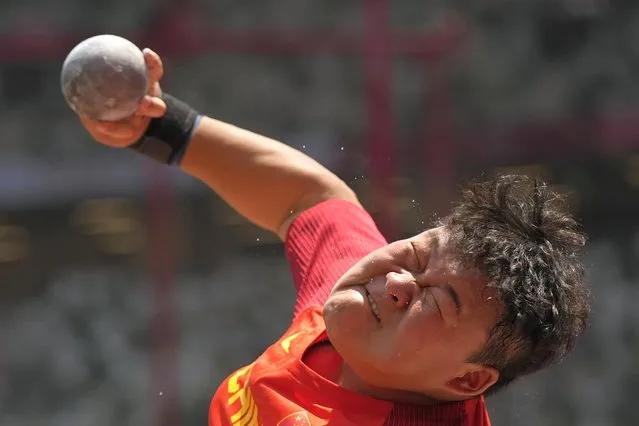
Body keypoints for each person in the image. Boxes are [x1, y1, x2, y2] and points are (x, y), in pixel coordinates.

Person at [77, 49, 590, 426]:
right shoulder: (357, 308)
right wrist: (164, 127)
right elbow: (307, 196)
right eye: (417, 253)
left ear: (467, 381)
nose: (395, 278)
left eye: (436, 301)